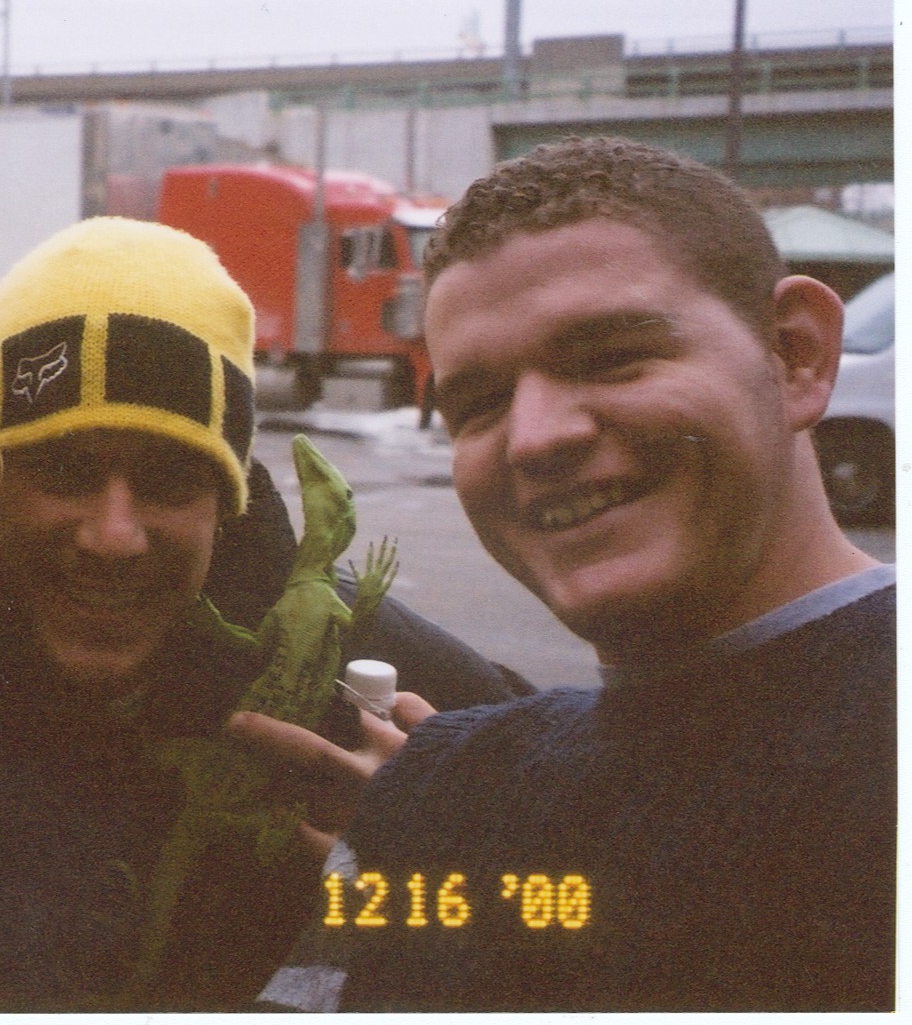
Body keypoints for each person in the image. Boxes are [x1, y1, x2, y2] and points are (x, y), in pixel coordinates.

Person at [274, 137, 894, 1012]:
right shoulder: (448, 784)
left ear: (796, 355)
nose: (535, 438)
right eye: (479, 403)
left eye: (612, 357)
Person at [0, 217, 529, 1010]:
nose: (114, 537)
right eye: (63, 471)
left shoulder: (406, 705)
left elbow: (583, 930)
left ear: (228, 506)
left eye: (168, 483)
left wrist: (444, 896)